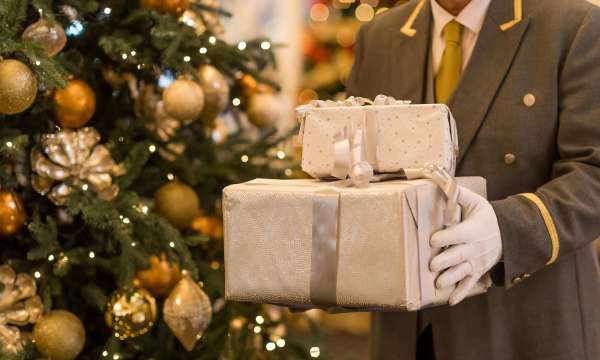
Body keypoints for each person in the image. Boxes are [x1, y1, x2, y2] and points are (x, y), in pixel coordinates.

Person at [345, 0, 600, 359]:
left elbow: (594, 173)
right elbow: (357, 169)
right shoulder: (380, 36)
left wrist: (506, 231)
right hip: (405, 335)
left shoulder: (575, 25)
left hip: (525, 329)